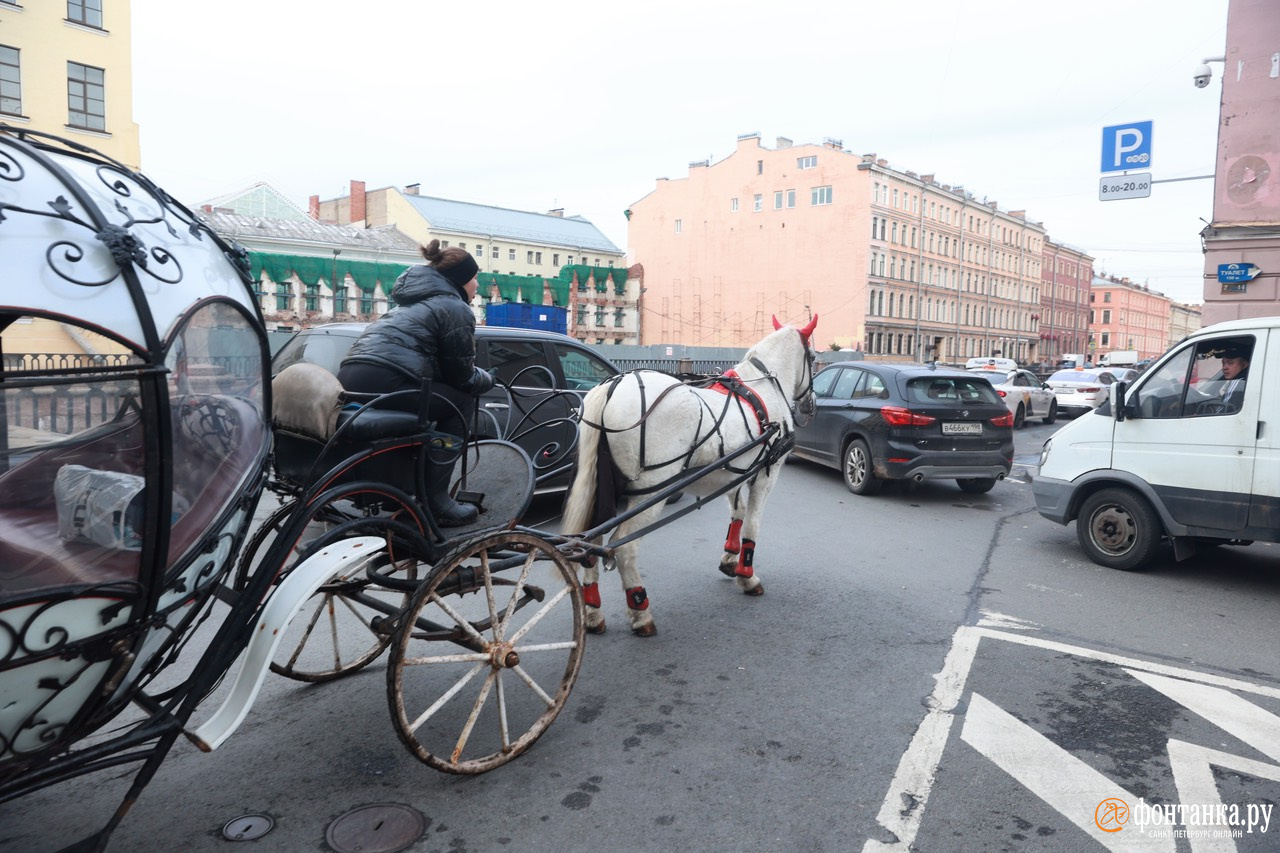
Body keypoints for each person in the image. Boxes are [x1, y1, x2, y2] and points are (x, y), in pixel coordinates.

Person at [337, 240, 495, 526]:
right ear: (460, 280)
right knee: (459, 403)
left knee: (434, 402)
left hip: (351, 376)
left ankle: (397, 488)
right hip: (389, 377)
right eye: (475, 279)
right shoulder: (453, 307)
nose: (477, 286)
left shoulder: (406, 307)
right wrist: (488, 378)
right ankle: (436, 501)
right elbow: (461, 375)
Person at [1217, 345, 1250, 410]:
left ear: (1245, 365)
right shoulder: (1247, 380)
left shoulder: (1239, 383)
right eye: (1223, 363)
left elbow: (1223, 411)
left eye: (1230, 363)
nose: (1224, 368)